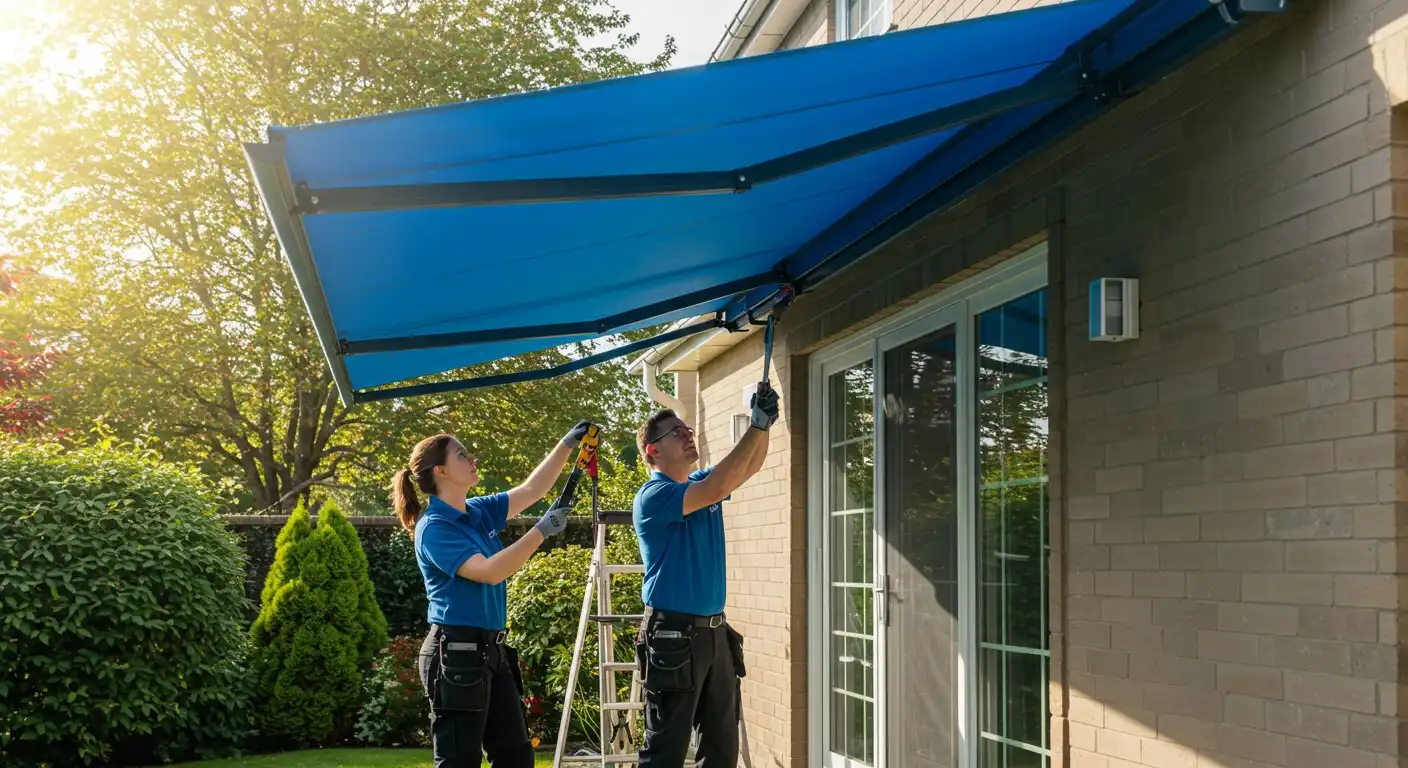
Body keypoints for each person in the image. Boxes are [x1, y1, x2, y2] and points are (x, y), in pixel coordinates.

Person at [391, 421, 592, 768]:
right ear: (441, 471)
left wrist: (566, 444)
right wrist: (541, 530)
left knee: (516, 757)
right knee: (459, 761)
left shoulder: (477, 511)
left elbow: (532, 490)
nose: (473, 459)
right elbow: (489, 571)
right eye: (462, 455)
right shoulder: (435, 527)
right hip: (455, 653)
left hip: (491, 650)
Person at [631, 382, 780, 768]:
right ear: (653, 450)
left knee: (721, 749)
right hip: (673, 636)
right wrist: (755, 427)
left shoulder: (699, 486)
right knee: (665, 750)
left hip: (714, 634)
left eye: (689, 430)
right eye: (676, 432)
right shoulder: (655, 495)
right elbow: (719, 484)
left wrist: (763, 426)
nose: (688, 435)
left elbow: (748, 466)